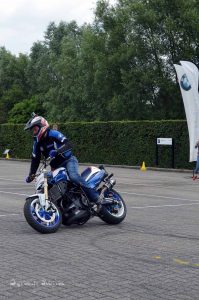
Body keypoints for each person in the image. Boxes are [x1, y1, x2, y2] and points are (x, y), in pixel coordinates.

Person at [24, 113, 100, 204]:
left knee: (74, 177)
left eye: (35, 129)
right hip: (55, 167)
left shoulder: (53, 134)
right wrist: (31, 175)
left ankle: (95, 198)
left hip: (68, 161)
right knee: (49, 183)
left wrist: (57, 151)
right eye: (32, 130)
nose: (33, 132)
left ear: (42, 126)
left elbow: (68, 144)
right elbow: (35, 159)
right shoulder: (37, 143)